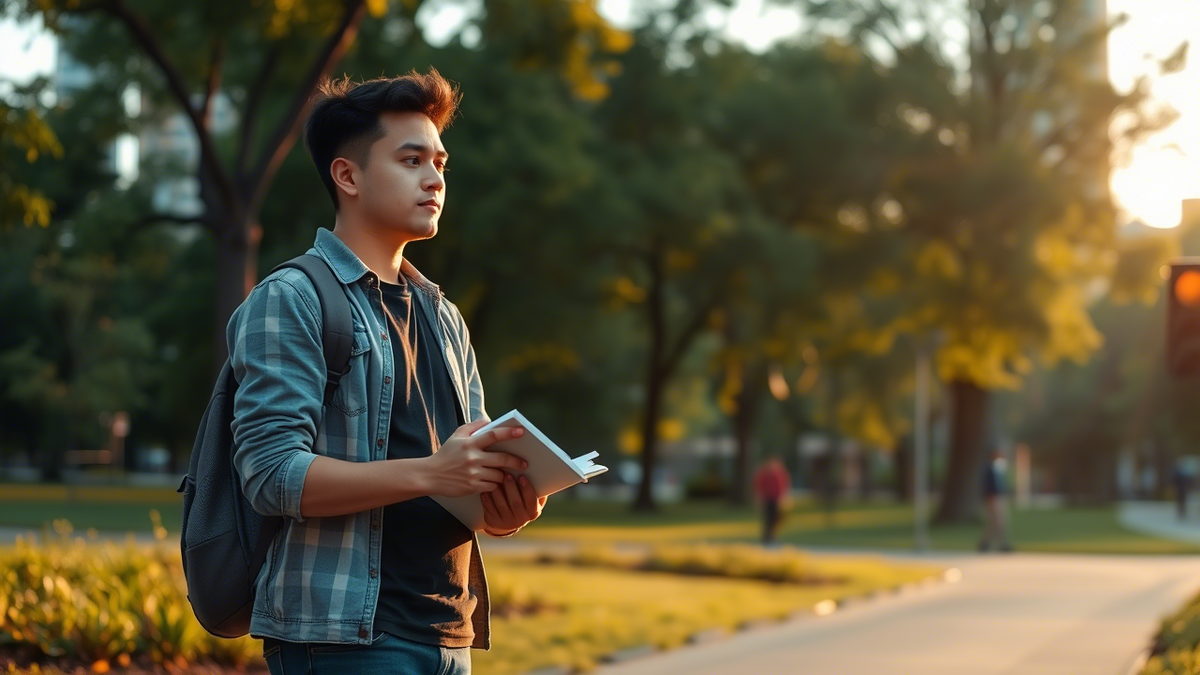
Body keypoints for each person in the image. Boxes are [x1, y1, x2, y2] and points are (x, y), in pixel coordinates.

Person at [230, 70, 546, 675]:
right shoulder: (292, 298)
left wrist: (503, 509)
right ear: (347, 176)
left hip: (449, 636)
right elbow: (272, 474)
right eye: (411, 160)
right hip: (347, 640)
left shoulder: (444, 316)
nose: (435, 179)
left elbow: (466, 472)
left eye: (440, 163)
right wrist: (431, 472)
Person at [978, 450, 1012, 552]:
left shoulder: (1000, 469)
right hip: (992, 498)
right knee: (997, 522)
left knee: (1001, 522)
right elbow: (986, 485)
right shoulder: (988, 469)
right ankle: (995, 544)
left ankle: (993, 543)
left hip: (1001, 497)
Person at [753, 456, 791, 546]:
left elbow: (783, 486)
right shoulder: (763, 474)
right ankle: (767, 538)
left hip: (776, 499)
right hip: (767, 499)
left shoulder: (779, 474)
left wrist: (784, 498)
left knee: (777, 518)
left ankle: (772, 536)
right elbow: (759, 486)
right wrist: (759, 498)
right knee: (768, 518)